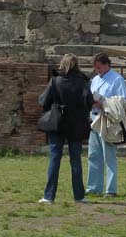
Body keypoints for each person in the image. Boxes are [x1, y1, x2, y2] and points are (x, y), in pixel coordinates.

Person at [38, 53, 94, 204]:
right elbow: (89, 101)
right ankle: (79, 196)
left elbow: (43, 100)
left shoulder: (55, 81)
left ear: (62, 64)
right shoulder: (82, 81)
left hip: (58, 123)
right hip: (75, 124)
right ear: (77, 65)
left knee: (55, 158)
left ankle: (49, 196)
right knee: (75, 160)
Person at [87, 52, 126, 197]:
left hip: (108, 120)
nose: (97, 70)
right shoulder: (95, 80)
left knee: (109, 155)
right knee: (93, 154)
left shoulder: (117, 79)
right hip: (94, 118)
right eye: (96, 68)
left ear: (107, 65)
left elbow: (122, 101)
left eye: (99, 67)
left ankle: (111, 189)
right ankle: (93, 187)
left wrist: (104, 102)